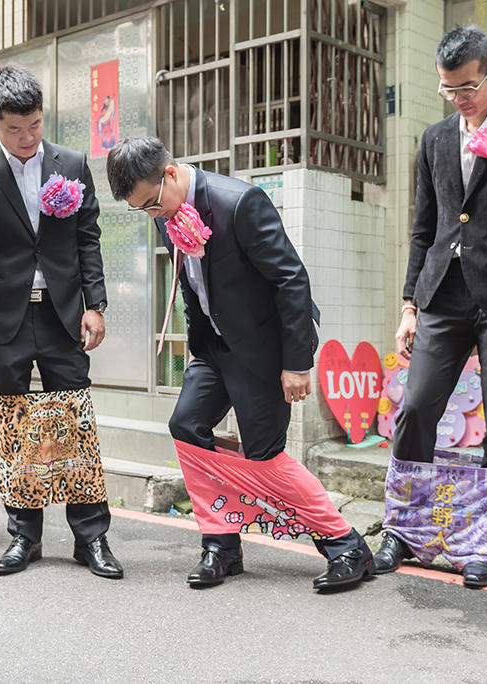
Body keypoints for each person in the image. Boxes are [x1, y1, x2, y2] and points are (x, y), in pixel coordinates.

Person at [105, 136, 375, 592]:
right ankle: (221, 544)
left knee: (264, 454)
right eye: (142, 210)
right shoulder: (164, 211)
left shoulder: (239, 202)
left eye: (152, 204)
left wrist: (296, 363)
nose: (153, 215)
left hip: (265, 350)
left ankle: (345, 544)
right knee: (187, 425)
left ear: (169, 174)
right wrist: (197, 345)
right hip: (215, 348)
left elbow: (291, 279)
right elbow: (193, 286)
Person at [374, 25, 487, 587]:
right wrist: (409, 304)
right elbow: (423, 229)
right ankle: (403, 531)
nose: (459, 99)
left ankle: (483, 543)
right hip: (440, 296)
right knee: (416, 409)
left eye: (468, 88)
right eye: (448, 89)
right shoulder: (433, 140)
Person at [0, 65, 122, 579]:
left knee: (75, 421)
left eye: (35, 126)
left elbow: (87, 236)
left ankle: (91, 537)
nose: (27, 139)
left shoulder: (70, 163)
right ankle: (25, 534)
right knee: (15, 423)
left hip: (62, 312)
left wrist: (95, 303)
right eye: (13, 130)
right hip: (2, 317)